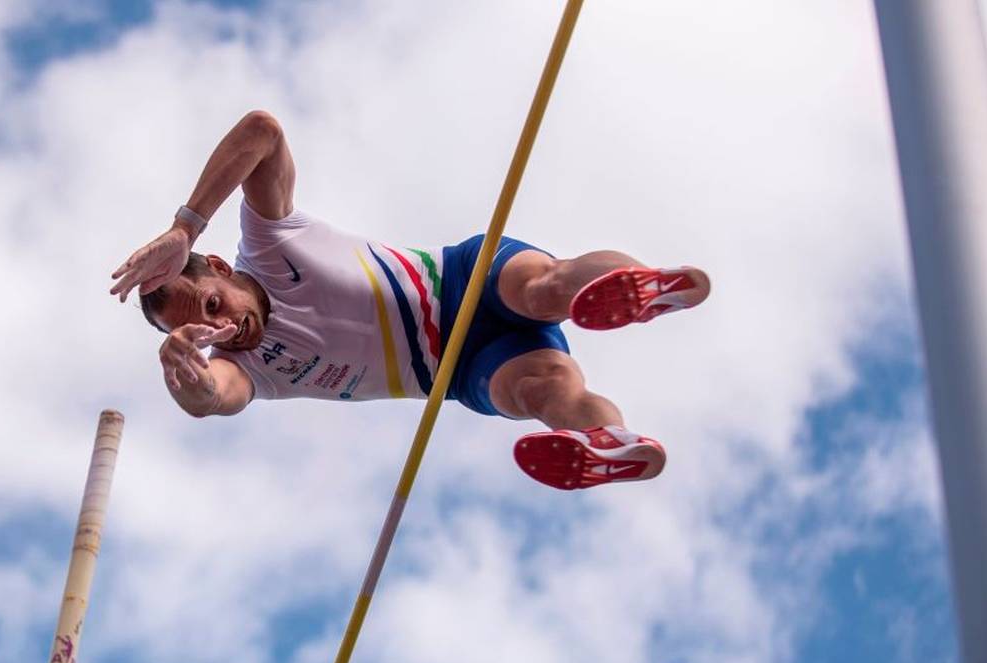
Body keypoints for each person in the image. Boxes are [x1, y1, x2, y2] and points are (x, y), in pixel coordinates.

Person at [110, 111, 710, 490]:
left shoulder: (267, 243)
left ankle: (646, 288)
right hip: (459, 367)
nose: (222, 330)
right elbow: (215, 399)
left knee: (544, 289)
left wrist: (185, 227)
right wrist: (189, 379)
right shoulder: (248, 370)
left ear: (218, 268)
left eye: (212, 306)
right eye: (201, 335)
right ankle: (612, 444)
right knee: (541, 392)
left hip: (462, 278)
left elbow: (262, 133)